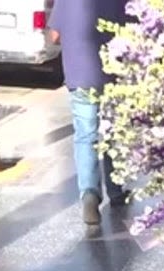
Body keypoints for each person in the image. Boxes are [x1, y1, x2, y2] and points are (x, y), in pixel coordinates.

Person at [48, 0, 129, 225]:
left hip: (80, 75)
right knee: (112, 132)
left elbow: (54, 36)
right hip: (114, 74)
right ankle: (116, 191)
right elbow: (135, 28)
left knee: (86, 136)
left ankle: (90, 196)